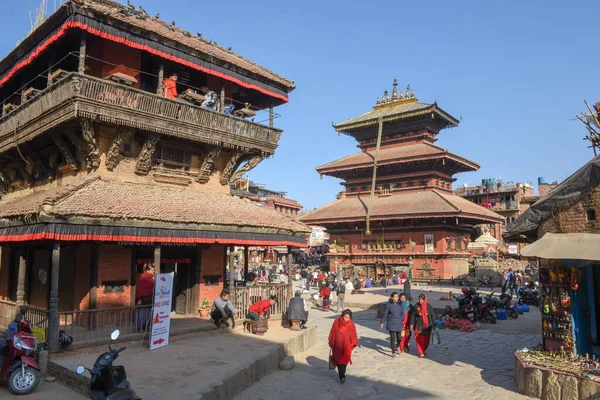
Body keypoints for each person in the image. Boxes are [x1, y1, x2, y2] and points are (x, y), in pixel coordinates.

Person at [328, 309, 359, 384]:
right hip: (337, 345)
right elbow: (332, 332)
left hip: (347, 346)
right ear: (342, 316)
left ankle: (342, 373)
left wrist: (353, 344)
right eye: (345, 317)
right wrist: (331, 342)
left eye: (348, 318)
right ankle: (342, 376)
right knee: (338, 361)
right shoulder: (336, 322)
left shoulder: (351, 324)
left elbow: (353, 335)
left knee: (345, 361)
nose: (346, 319)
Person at [380, 292, 405, 358]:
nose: (397, 298)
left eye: (397, 297)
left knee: (399, 338)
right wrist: (382, 322)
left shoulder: (400, 304)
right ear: (392, 298)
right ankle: (393, 352)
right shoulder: (389, 305)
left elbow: (403, 313)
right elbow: (385, 314)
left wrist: (401, 319)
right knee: (392, 338)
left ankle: (398, 346)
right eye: (395, 297)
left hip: (398, 323)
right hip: (391, 323)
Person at [135, 263, 155, 331]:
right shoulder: (143, 277)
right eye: (152, 270)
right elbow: (141, 288)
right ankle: (139, 327)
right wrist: (140, 299)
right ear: (148, 270)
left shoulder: (152, 277)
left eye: (153, 270)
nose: (153, 272)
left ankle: (146, 327)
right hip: (144, 298)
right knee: (142, 314)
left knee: (148, 313)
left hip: (150, 298)